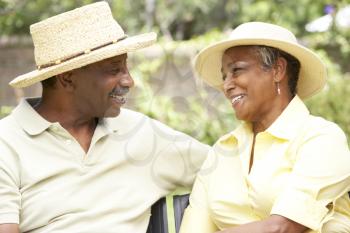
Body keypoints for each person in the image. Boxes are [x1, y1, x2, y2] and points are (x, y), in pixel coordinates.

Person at [0, 2, 210, 233]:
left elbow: (230, 171)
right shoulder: (6, 143)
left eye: (126, 67)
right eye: (114, 69)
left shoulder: (143, 133)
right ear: (68, 78)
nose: (128, 81)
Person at [180, 22, 350, 233]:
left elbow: (281, 227)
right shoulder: (221, 152)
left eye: (237, 70)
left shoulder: (321, 139)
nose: (227, 85)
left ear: (277, 70)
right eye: (225, 76)